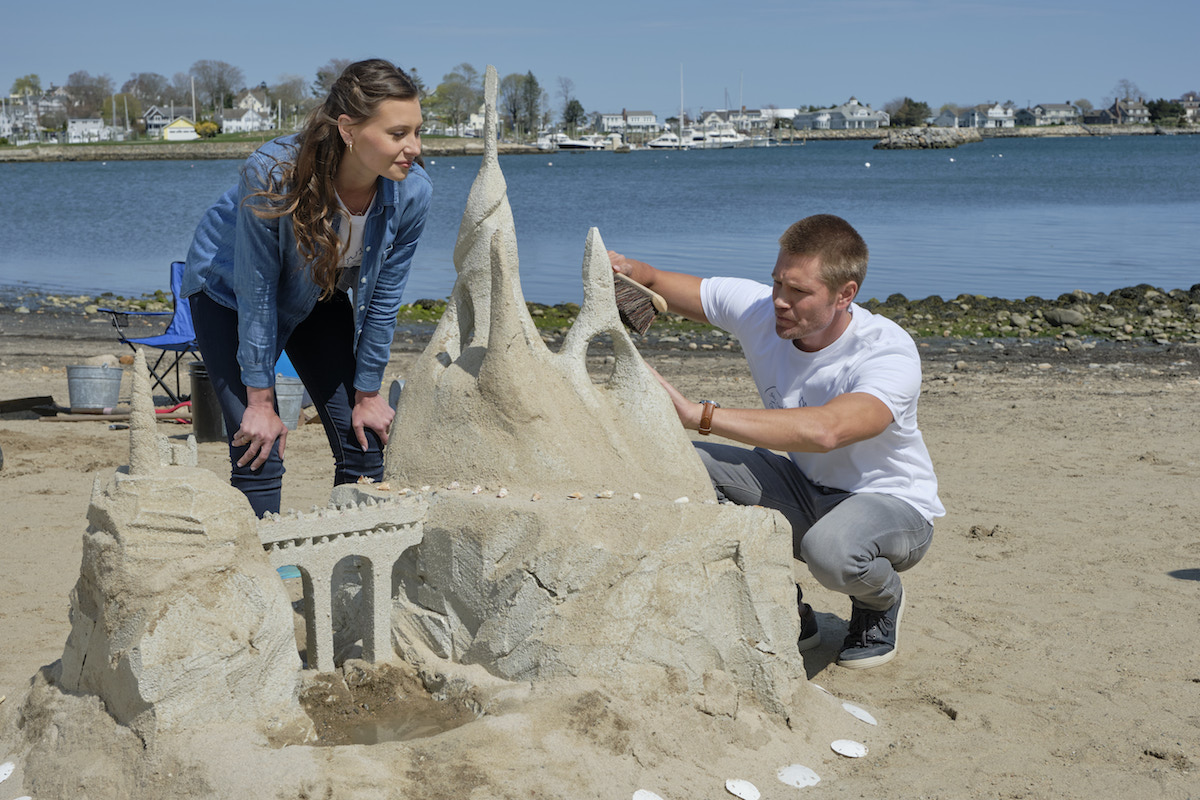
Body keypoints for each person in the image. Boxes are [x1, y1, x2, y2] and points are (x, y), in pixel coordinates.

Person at [609, 214, 943, 669]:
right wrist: (624, 271)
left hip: (891, 504)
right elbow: (655, 280)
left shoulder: (886, 351)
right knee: (676, 463)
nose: (780, 303)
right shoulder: (761, 310)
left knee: (831, 552)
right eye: (777, 284)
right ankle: (786, 605)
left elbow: (828, 430)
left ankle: (880, 601)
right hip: (804, 488)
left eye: (800, 292)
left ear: (846, 293)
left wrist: (698, 416)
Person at [182, 59, 431, 517]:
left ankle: (347, 575)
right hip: (229, 293)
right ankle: (259, 582)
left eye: (417, 131)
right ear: (348, 129)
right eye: (399, 134)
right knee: (259, 447)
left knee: (366, 445)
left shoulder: (413, 193)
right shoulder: (272, 172)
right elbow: (256, 288)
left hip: (318, 290)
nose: (414, 147)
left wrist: (368, 393)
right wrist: (259, 401)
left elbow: (383, 300)